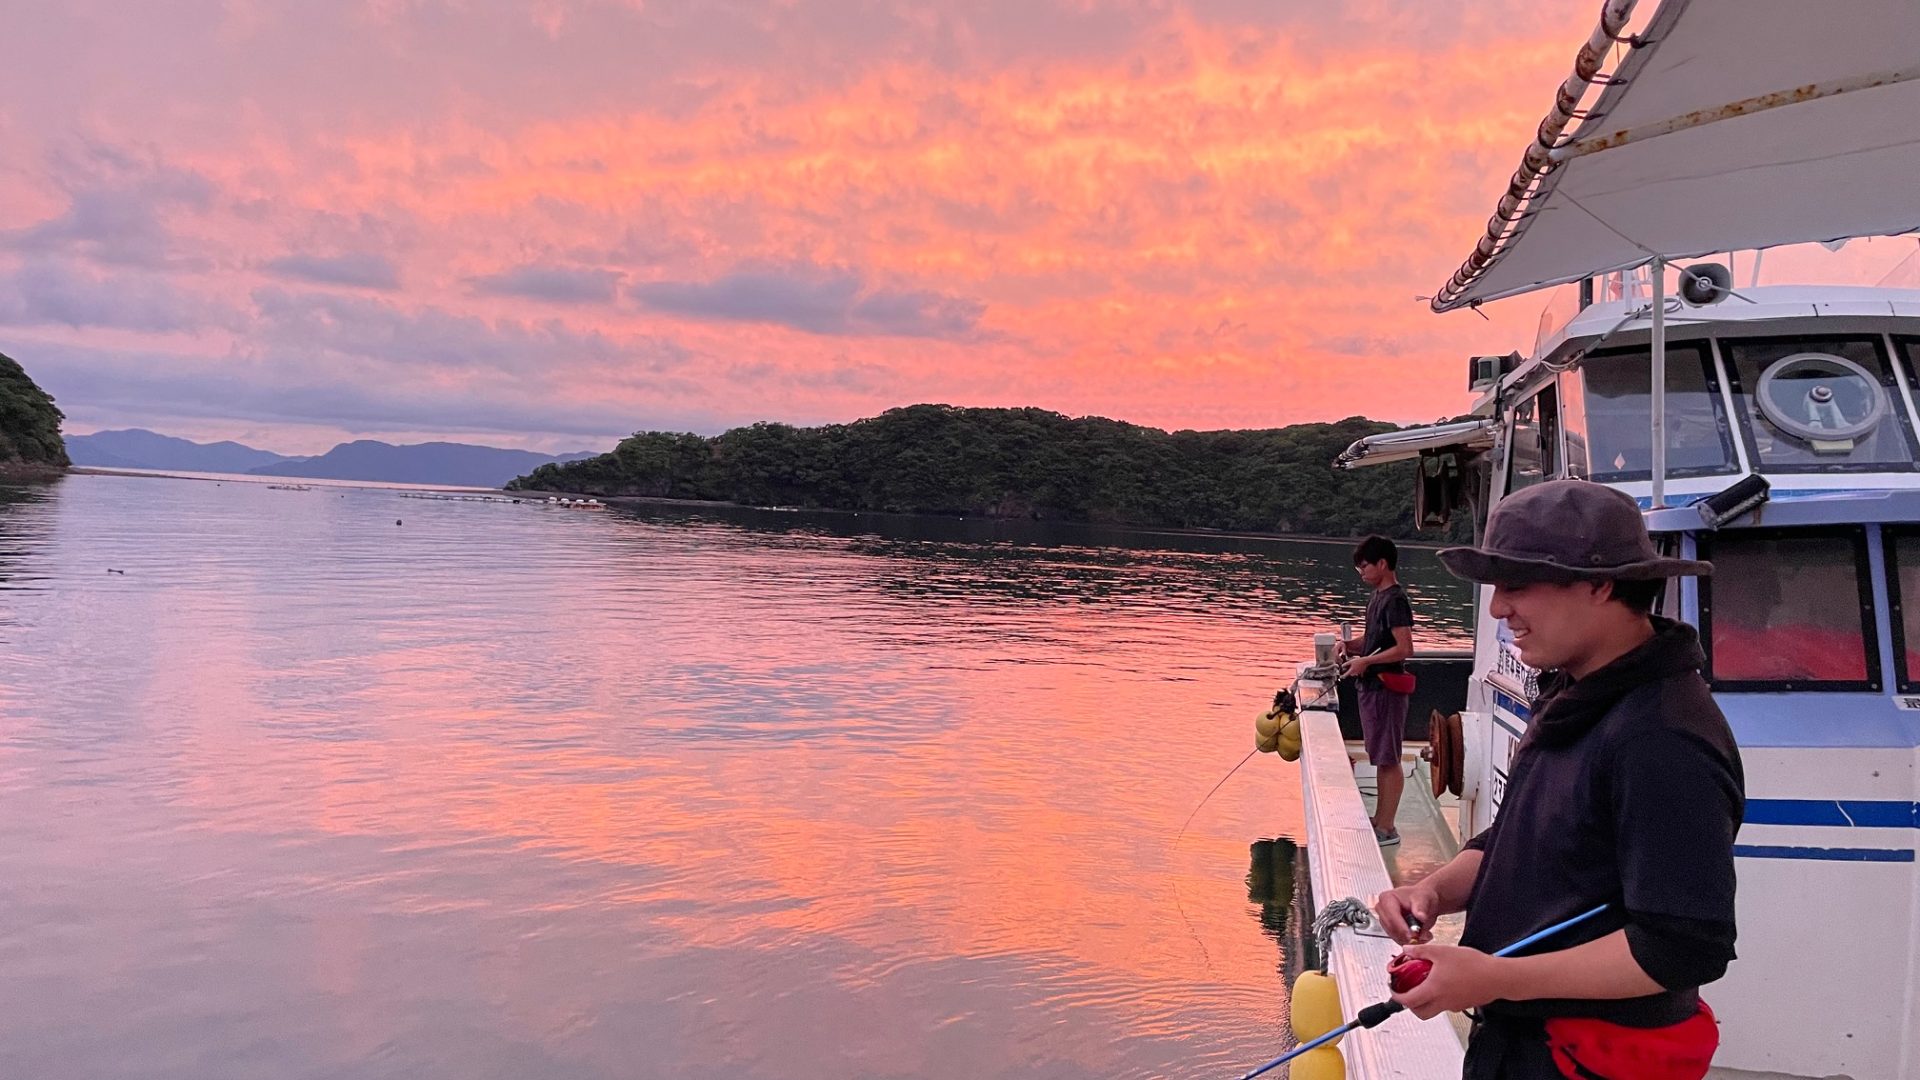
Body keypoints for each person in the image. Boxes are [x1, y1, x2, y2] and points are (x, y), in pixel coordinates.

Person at [1373, 480, 1744, 1080]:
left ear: (1600, 585)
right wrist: (1435, 891)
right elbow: (1520, 836)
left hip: (1587, 1059)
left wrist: (1496, 978)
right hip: (1521, 1046)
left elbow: (1680, 946)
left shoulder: (1663, 738)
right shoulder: (1574, 691)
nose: (1497, 608)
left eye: (1516, 585)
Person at [1340, 535, 1415, 845]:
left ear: (1383, 564)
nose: (1362, 572)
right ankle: (1379, 820)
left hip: (1386, 689)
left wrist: (1366, 661)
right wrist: (1350, 646)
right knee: (1380, 756)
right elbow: (1373, 639)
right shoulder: (1377, 598)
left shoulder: (1396, 600)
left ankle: (1386, 827)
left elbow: (1404, 649)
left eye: (1365, 566)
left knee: (1388, 758)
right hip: (1371, 687)